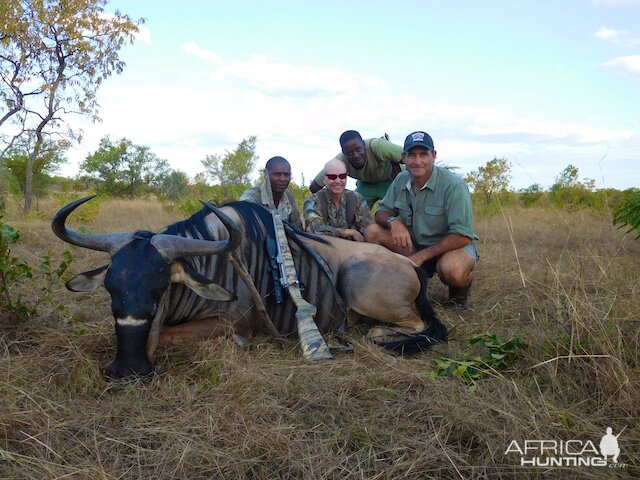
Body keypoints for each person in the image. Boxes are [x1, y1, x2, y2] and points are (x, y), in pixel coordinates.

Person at [365, 131, 479, 308]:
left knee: (453, 271)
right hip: (415, 243)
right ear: (403, 157)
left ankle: (459, 296)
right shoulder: (401, 179)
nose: (417, 161)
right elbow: (382, 211)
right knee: (372, 232)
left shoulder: (454, 185)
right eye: (411, 155)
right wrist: (394, 222)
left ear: (433, 155)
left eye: (423, 154)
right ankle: (405, 283)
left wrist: (422, 256)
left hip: (450, 247)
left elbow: (462, 235)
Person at [308, 130, 403, 209]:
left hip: (390, 181)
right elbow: (314, 187)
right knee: (351, 212)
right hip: (365, 185)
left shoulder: (378, 146)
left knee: (399, 211)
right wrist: (331, 205)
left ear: (364, 145)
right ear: (343, 152)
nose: (356, 155)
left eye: (358, 149)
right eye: (350, 153)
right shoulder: (339, 161)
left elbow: (410, 158)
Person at [303, 158, 373, 242]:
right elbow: (314, 230)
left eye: (342, 176)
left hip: (354, 250)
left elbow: (369, 229)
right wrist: (349, 232)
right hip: (324, 251)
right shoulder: (313, 201)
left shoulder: (357, 198)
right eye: (332, 177)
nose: (338, 181)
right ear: (323, 179)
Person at [240, 156, 303, 230]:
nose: (282, 179)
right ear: (266, 175)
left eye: (286, 175)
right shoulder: (251, 198)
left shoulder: (289, 197)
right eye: (277, 174)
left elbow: (298, 228)